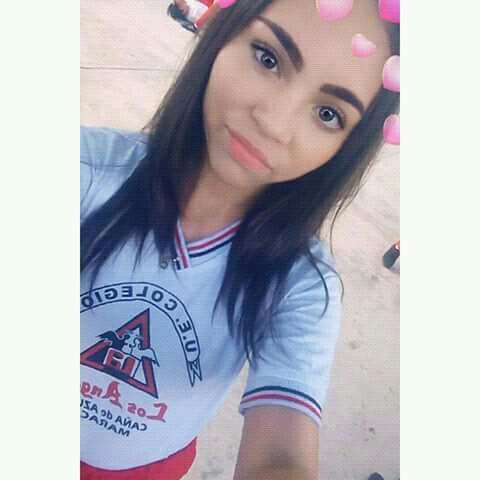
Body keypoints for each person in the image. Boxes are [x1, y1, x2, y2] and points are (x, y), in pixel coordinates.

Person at [80, 0, 400, 479]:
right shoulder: (86, 170)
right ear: (222, 34)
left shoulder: (300, 287)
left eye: (328, 113)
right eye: (268, 58)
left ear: (346, 146)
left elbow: (280, 456)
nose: (274, 121)